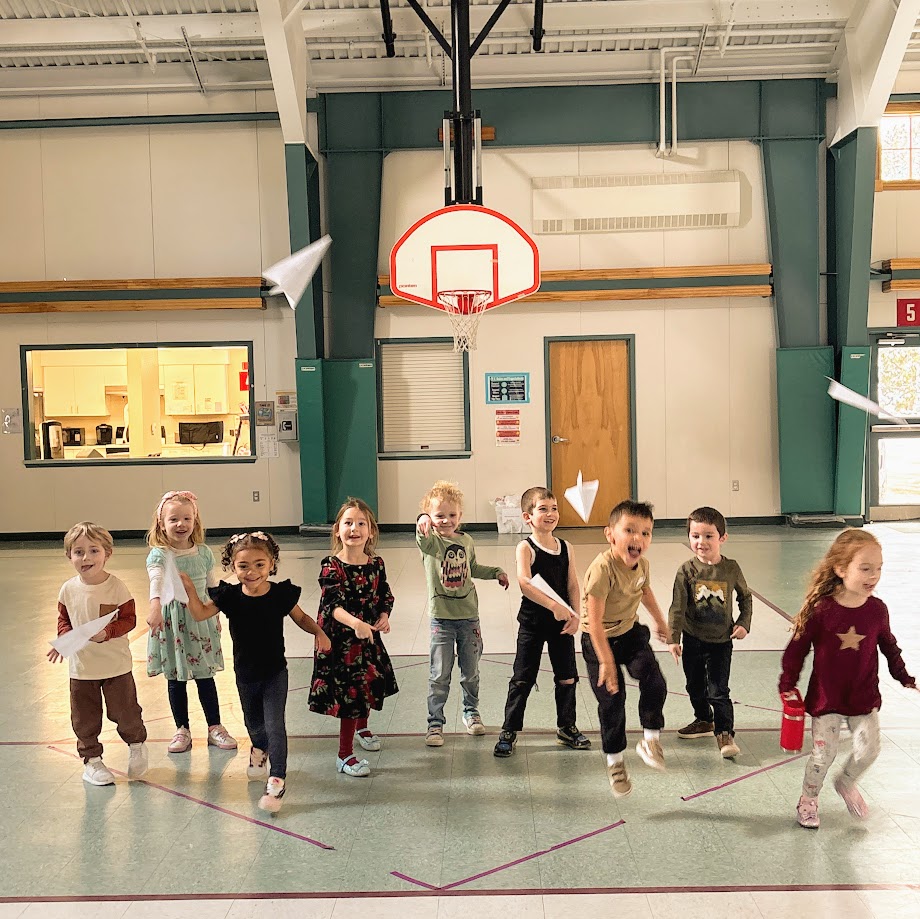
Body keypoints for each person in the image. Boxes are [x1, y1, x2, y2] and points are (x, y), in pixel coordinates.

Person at [181, 531, 331, 814]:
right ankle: (258, 749)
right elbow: (200, 614)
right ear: (233, 567)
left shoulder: (280, 594)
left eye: (260, 564)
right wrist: (190, 590)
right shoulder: (230, 597)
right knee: (255, 726)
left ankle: (277, 779)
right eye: (243, 566)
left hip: (275, 672)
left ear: (271, 563)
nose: (252, 572)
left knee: (275, 725)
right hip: (245, 674)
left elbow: (302, 618)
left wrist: (319, 633)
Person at [779, 529, 916, 829]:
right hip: (827, 701)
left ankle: (846, 783)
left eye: (878, 568)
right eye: (865, 568)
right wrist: (787, 684)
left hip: (863, 699)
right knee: (822, 755)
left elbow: (888, 646)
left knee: (869, 750)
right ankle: (808, 800)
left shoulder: (877, 610)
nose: (874, 575)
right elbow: (797, 648)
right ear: (841, 569)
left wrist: (903, 675)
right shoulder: (822, 610)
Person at [581, 500, 671, 797]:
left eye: (645, 533)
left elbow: (644, 591)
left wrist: (660, 621)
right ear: (610, 534)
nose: (638, 539)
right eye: (629, 530)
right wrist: (606, 661)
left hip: (630, 633)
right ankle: (615, 761)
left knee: (655, 680)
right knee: (612, 699)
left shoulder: (641, 564)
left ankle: (650, 738)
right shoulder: (602, 570)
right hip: (599, 640)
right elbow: (593, 623)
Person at [48, 522, 148, 786]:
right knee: (85, 718)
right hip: (81, 670)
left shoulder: (117, 587)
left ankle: (137, 744)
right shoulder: (68, 589)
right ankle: (92, 761)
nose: (86, 558)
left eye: (94, 551)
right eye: (78, 552)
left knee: (126, 712)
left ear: (107, 554)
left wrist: (109, 633)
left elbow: (129, 619)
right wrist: (64, 639)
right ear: (69, 556)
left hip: (116, 667)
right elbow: (64, 618)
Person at [494, 487, 588, 757]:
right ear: (528, 517)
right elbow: (524, 583)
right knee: (523, 678)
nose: (550, 514)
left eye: (554, 508)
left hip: (562, 625)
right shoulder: (525, 547)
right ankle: (509, 730)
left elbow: (572, 583)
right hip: (533, 624)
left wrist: (575, 614)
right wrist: (554, 606)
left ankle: (566, 727)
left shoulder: (566, 547)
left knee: (567, 677)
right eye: (543, 509)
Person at [309, 498, 398, 777]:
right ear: (337, 530)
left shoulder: (376, 564)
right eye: (348, 523)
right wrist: (356, 623)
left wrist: (383, 615)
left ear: (371, 531)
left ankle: (362, 727)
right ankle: (344, 755)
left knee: (368, 683)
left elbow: (385, 594)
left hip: (366, 637)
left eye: (361, 523)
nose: (354, 528)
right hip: (340, 641)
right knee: (350, 694)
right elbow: (331, 606)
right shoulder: (331, 566)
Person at [417, 480, 510, 747]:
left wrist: (495, 573)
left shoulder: (467, 540)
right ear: (430, 518)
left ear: (460, 516)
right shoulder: (431, 543)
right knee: (439, 674)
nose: (446, 520)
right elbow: (421, 536)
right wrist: (422, 520)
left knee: (470, 671)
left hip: (469, 618)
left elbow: (472, 568)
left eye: (452, 515)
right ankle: (435, 723)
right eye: (439, 516)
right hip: (441, 620)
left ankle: (471, 711)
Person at [145, 490, 236, 754]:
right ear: (161, 523)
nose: (181, 524)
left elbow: (211, 586)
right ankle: (181, 729)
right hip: (172, 621)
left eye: (187, 518)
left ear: (195, 521)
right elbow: (156, 582)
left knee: (205, 676)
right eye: (173, 519)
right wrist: (154, 606)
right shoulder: (160, 555)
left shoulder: (204, 553)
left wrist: (214, 615)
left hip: (199, 620)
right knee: (176, 678)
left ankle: (214, 726)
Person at [668, 506, 752, 759]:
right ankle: (704, 720)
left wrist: (743, 623)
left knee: (718, 690)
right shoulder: (686, 571)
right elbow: (677, 607)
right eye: (695, 536)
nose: (700, 542)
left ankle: (725, 733)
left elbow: (745, 598)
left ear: (722, 538)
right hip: (693, 639)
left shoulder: (731, 568)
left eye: (708, 536)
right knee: (694, 685)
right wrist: (674, 639)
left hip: (721, 642)